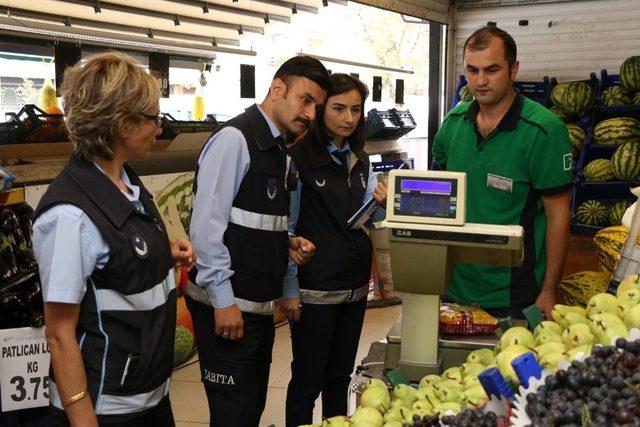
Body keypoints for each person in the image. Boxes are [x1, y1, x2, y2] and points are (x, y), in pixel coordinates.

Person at [32, 52, 196, 427]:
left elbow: (111, 264)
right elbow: (59, 333)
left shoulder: (126, 181)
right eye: (154, 119)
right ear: (123, 124)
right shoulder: (69, 216)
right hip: (107, 411)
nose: (160, 129)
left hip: (150, 397)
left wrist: (163, 255)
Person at [186, 55, 331, 426]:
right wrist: (222, 301)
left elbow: (263, 221)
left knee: (249, 411)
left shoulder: (279, 151)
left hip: (257, 312)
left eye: (317, 105)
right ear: (277, 88)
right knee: (233, 415)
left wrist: (287, 244)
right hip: (229, 311)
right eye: (306, 100)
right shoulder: (235, 141)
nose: (311, 114)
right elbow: (205, 229)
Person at [432, 26, 572, 320]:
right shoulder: (452, 124)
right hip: (453, 288)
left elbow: (558, 216)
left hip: (516, 294)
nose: (480, 81)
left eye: (492, 69)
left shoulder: (544, 131)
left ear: (513, 69)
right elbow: (438, 193)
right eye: (472, 70)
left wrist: (549, 290)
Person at [285, 74, 388, 426]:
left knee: (339, 377)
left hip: (355, 288)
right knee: (307, 380)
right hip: (315, 290)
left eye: (356, 110)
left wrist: (382, 204)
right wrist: (289, 288)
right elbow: (288, 226)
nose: (348, 118)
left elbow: (369, 220)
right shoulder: (298, 159)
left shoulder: (359, 158)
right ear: (320, 108)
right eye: (339, 108)